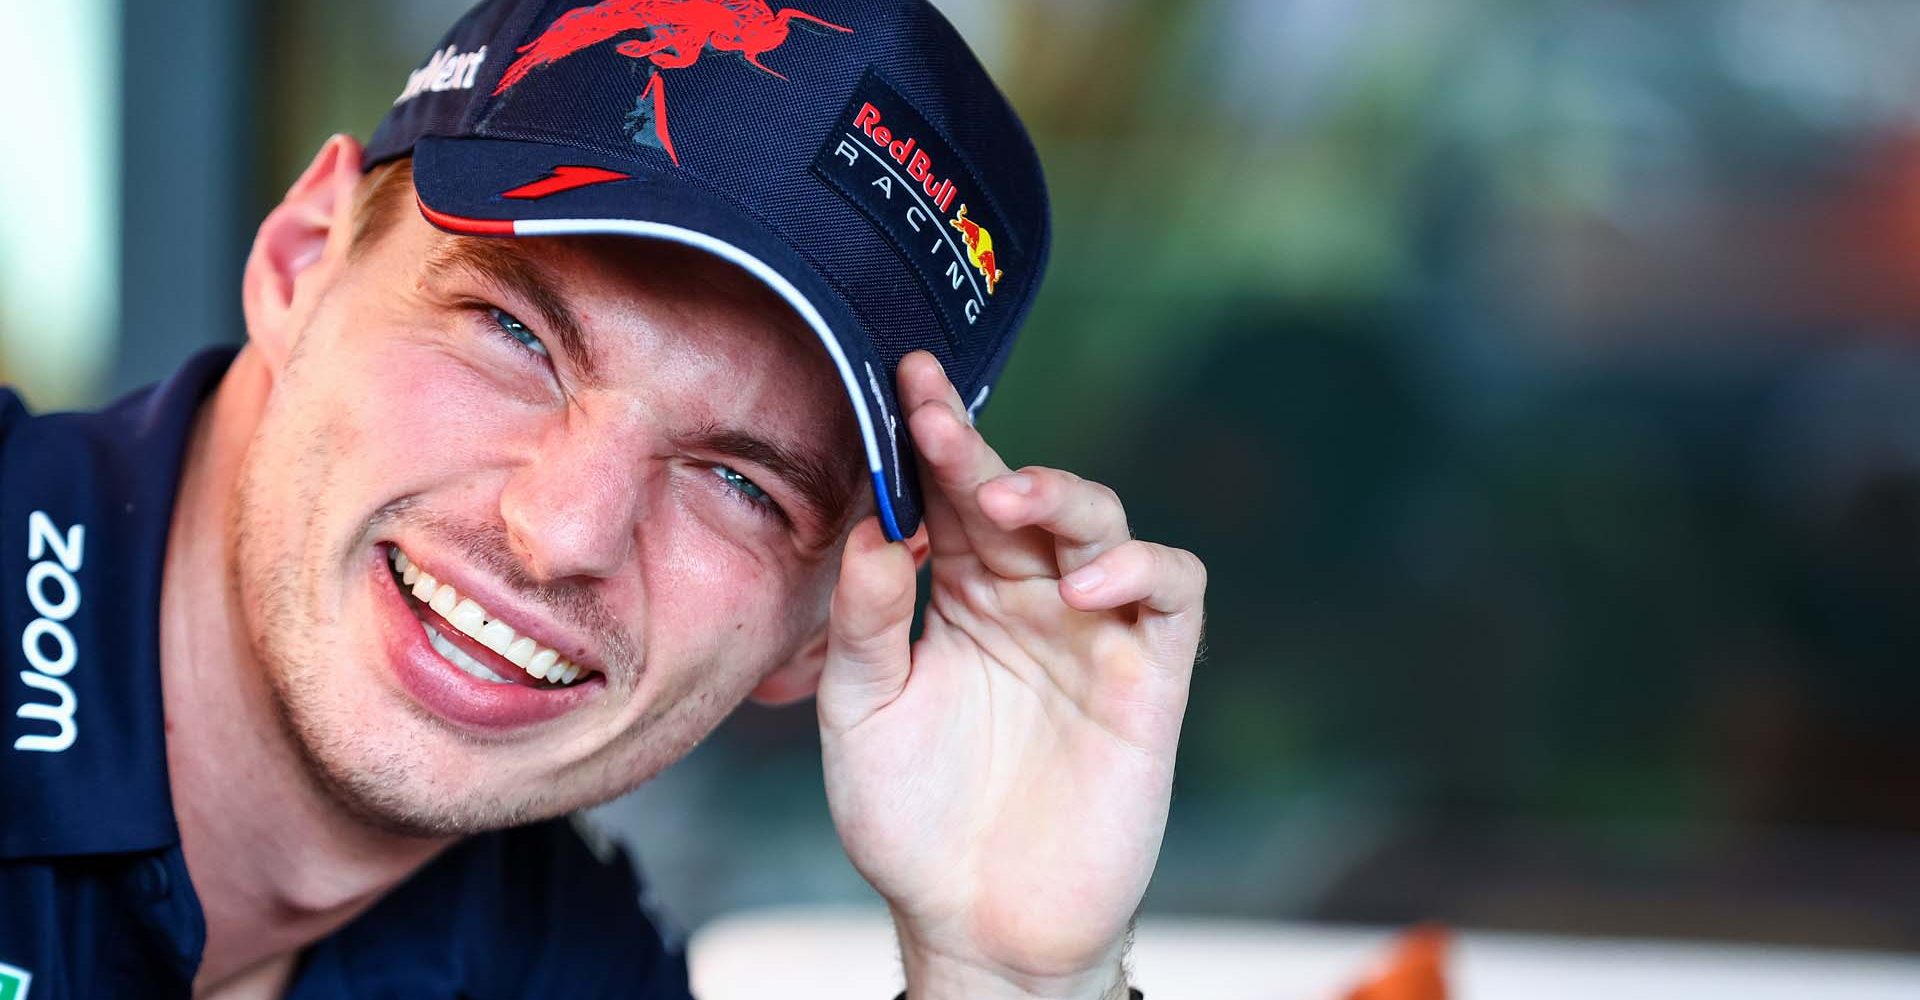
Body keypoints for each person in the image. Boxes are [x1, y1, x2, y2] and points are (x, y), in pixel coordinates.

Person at [0, 1, 1205, 997]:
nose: (564, 530)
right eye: (514, 334)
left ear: (820, 628)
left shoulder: (559, 963)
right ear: (303, 258)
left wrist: (1004, 972)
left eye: (740, 482)